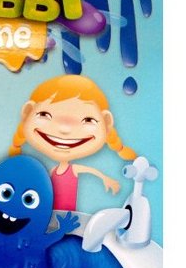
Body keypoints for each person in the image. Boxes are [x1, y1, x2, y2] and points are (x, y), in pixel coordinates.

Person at [9, 75, 136, 211]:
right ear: (28, 111)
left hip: (68, 213)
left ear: (106, 121)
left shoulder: (72, 169)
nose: (65, 128)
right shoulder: (52, 171)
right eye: (45, 114)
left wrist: (105, 178)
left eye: (88, 120)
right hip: (51, 211)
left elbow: (91, 171)